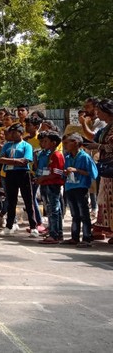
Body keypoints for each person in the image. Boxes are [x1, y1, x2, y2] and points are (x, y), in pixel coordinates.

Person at [0, 123, 39, 237]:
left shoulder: (26, 146)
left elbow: (26, 160)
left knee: (28, 199)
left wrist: (9, 160)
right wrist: (16, 161)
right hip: (10, 173)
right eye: (11, 132)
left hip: (23, 173)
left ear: (21, 133)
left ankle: (33, 227)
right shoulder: (7, 145)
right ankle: (9, 226)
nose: (12, 134)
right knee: (11, 200)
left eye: (15, 132)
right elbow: (0, 159)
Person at [62, 133, 98, 247]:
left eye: (68, 142)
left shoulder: (84, 157)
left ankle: (87, 237)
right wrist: (66, 172)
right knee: (74, 214)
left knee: (84, 213)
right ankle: (74, 237)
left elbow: (93, 173)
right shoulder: (67, 157)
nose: (65, 145)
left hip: (80, 187)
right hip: (69, 186)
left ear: (76, 143)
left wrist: (77, 170)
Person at [35, 131, 65, 244]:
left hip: (52, 184)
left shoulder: (57, 155)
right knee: (51, 209)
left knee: (54, 209)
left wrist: (43, 178)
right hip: (47, 183)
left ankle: (55, 234)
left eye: (46, 141)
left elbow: (57, 173)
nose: (44, 143)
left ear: (53, 143)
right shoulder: (49, 154)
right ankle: (55, 232)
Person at [90, 99, 113, 242]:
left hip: (111, 166)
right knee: (105, 199)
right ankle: (108, 229)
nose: (97, 113)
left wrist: (98, 147)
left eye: (99, 110)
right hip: (106, 167)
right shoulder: (106, 127)